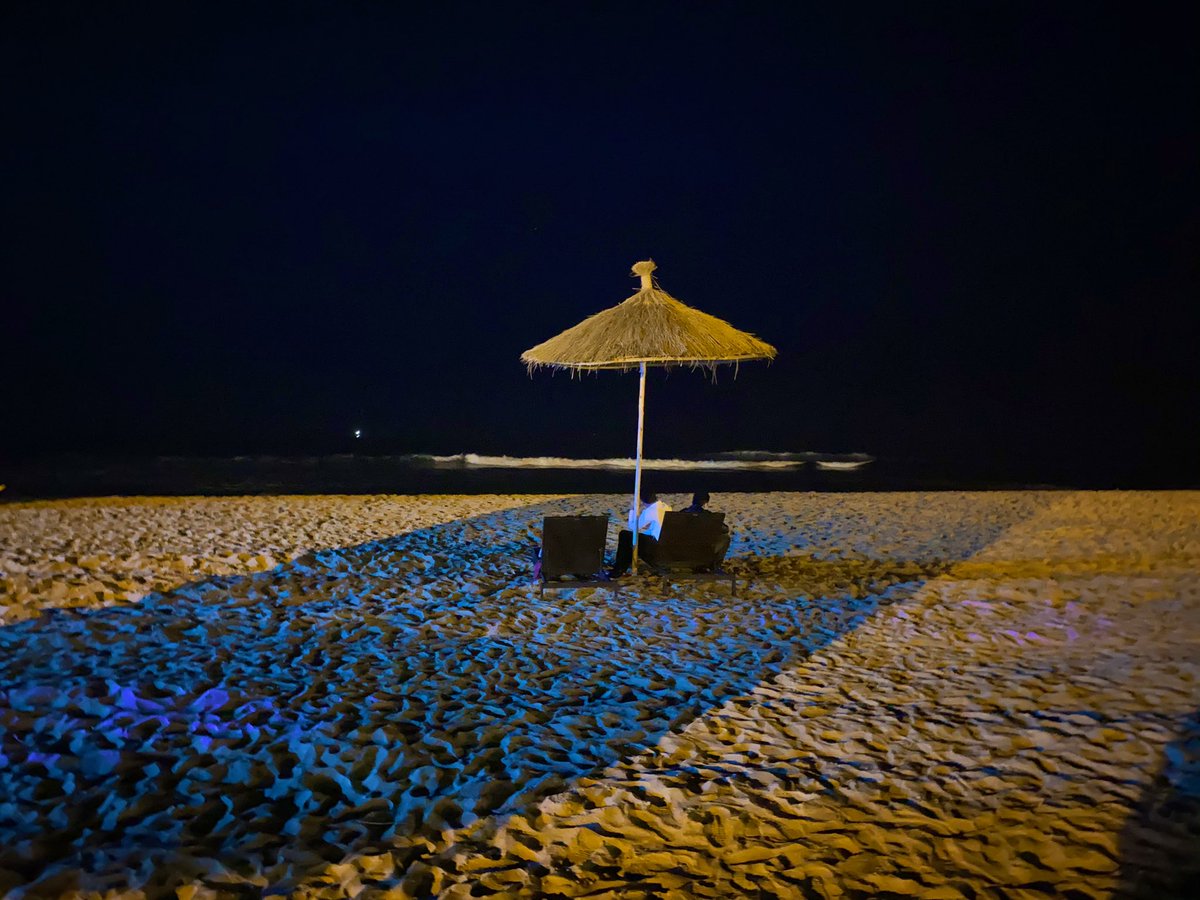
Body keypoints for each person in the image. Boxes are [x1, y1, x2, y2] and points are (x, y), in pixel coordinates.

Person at [608, 485, 670, 576]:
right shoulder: (666, 507)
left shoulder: (651, 511)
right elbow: (656, 529)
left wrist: (632, 510)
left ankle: (619, 568)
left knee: (625, 535)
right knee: (634, 538)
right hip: (665, 546)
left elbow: (633, 527)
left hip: (656, 550)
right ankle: (622, 566)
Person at [681, 490, 731, 570]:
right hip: (702, 554)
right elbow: (725, 529)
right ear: (704, 502)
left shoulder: (681, 514)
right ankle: (715, 565)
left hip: (680, 554)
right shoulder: (707, 516)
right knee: (725, 538)